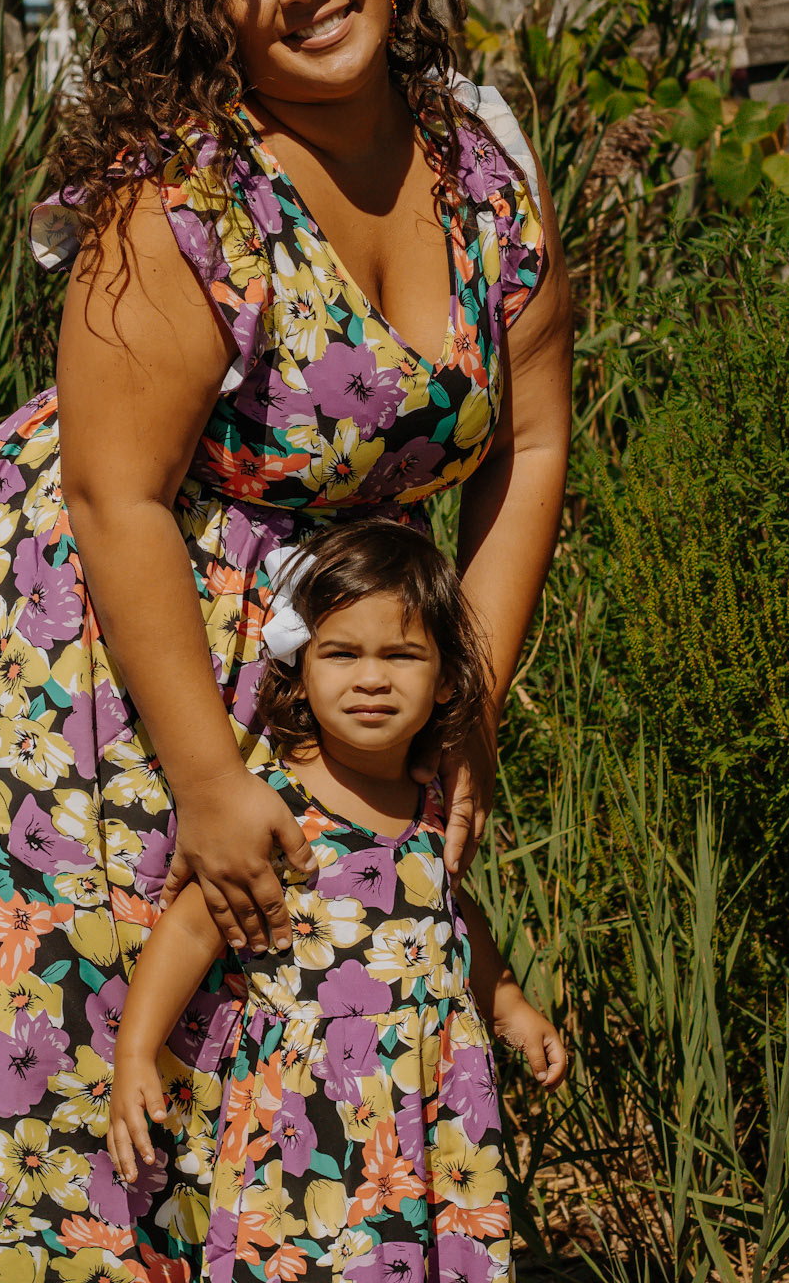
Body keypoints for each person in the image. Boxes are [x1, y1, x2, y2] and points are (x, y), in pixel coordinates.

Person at [0, 0, 572, 1276]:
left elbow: (530, 444)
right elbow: (114, 496)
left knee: (305, 1026)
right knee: (91, 1026)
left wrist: (469, 707)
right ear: (205, 15)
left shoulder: (482, 164)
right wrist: (203, 774)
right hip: (112, 635)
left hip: (338, 623)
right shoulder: (181, 197)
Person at [107, 520, 567, 1283]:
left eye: (401, 655)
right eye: (342, 654)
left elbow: (447, 914)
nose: (371, 679)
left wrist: (507, 1002)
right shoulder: (269, 811)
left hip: (430, 1097)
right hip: (308, 1115)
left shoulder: (432, 801)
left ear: (446, 678)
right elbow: (188, 934)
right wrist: (134, 1053)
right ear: (299, 669)